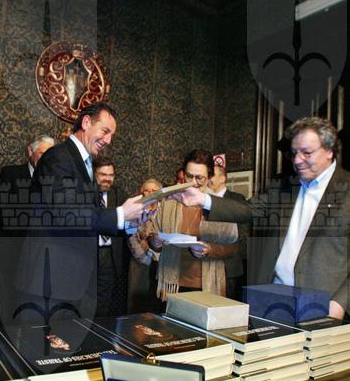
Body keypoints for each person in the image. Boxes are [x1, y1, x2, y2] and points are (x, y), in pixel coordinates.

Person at [11, 102, 147, 321]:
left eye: (112, 135)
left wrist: (131, 222)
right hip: (49, 280)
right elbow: (66, 214)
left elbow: (89, 216)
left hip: (70, 280)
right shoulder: (58, 157)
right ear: (86, 123)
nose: (108, 140)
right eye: (105, 131)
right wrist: (120, 214)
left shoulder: (85, 163)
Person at [249, 116, 350, 319]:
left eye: (307, 153)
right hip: (273, 301)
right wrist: (203, 199)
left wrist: (341, 302)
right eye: (294, 153)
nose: (297, 160)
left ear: (329, 151)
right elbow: (246, 209)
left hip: (322, 308)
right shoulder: (285, 186)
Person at [148, 149, 249, 300]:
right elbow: (152, 237)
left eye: (199, 178)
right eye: (189, 176)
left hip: (207, 285)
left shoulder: (219, 206)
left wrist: (210, 250)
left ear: (209, 177)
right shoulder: (168, 203)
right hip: (172, 283)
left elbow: (232, 248)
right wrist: (155, 243)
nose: (193, 182)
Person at [0, 135, 55, 230]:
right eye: (42, 154)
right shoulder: (10, 174)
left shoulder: (56, 178)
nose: (46, 160)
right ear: (30, 151)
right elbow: (2, 212)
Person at [208, 165, 246, 300]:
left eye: (212, 175)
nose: (208, 178)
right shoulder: (203, 199)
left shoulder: (236, 199)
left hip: (229, 266)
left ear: (222, 178)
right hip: (206, 264)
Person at [93, 155, 123, 316]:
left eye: (111, 175)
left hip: (109, 255)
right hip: (89, 254)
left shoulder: (118, 195)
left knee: (104, 301)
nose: (107, 179)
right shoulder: (85, 194)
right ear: (94, 174)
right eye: (103, 175)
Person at [127, 178, 163, 313]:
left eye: (154, 190)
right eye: (147, 190)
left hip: (162, 264)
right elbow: (131, 238)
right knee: (138, 304)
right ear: (142, 193)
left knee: (158, 304)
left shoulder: (165, 212)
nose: (150, 193)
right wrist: (146, 259)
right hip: (140, 263)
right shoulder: (135, 211)